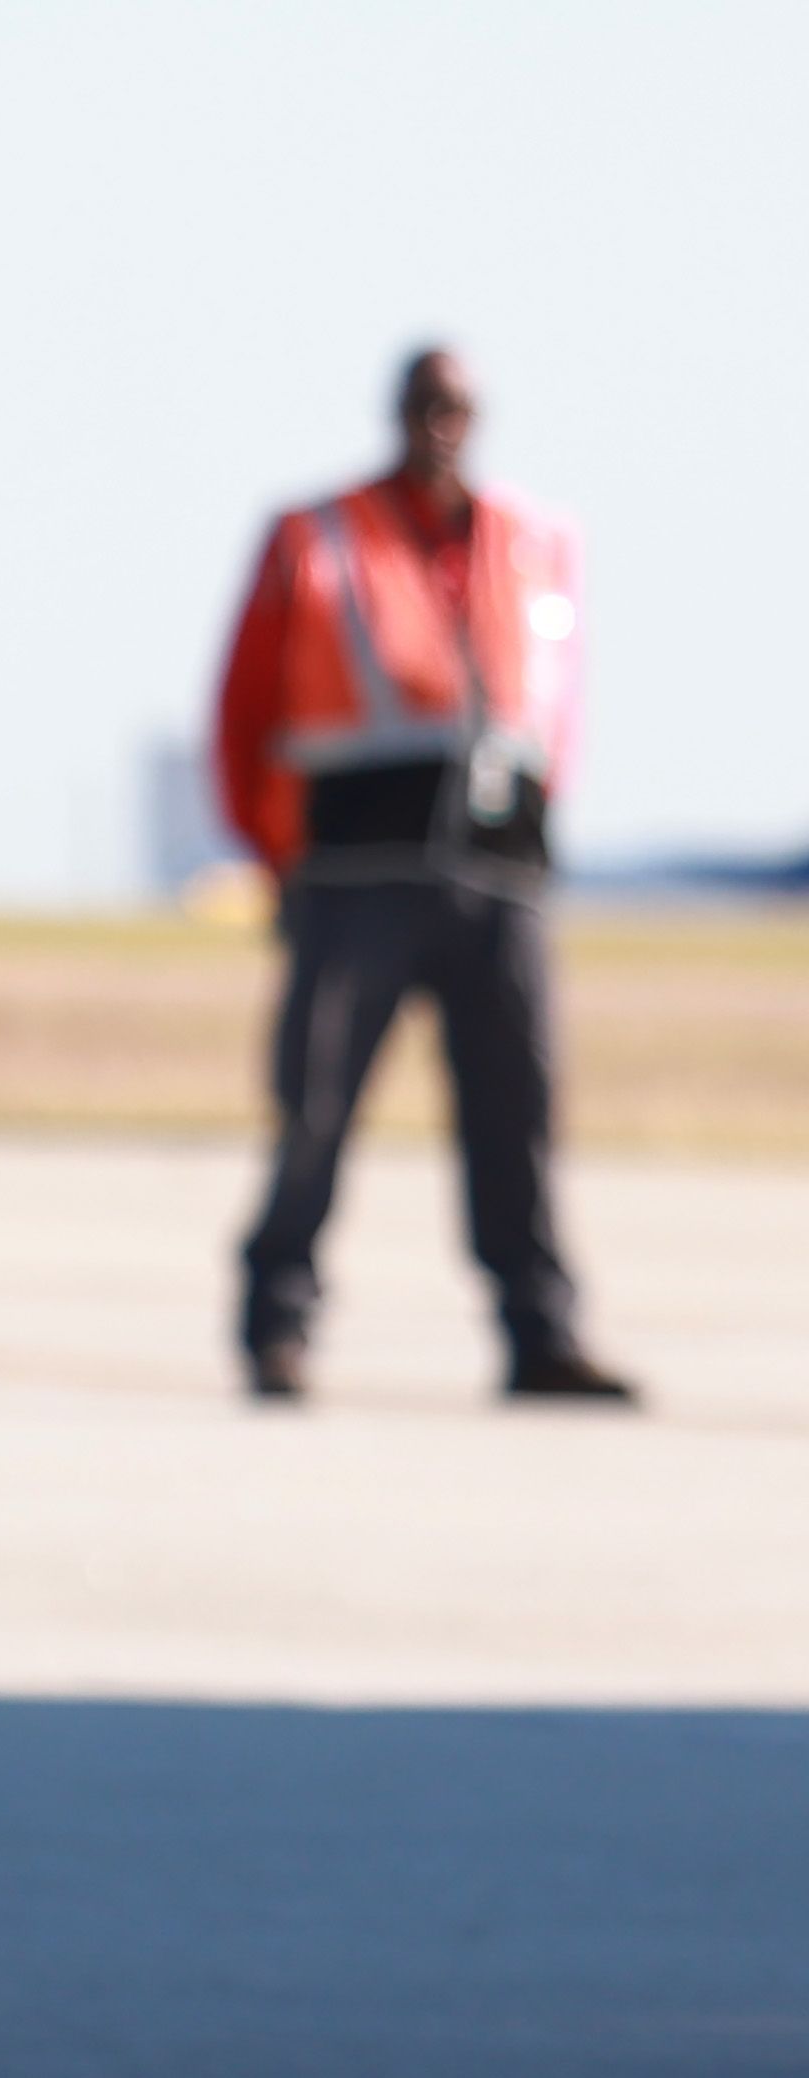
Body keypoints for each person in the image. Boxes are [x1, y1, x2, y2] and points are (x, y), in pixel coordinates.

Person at [212, 347, 632, 1404]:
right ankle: (279, 1325)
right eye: (427, 402)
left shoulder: (534, 542)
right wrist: (280, 856)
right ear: (397, 410)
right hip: (356, 869)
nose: (442, 421)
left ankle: (540, 1332)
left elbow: (555, 705)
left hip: (500, 874)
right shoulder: (319, 538)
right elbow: (246, 706)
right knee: (315, 1110)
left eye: (459, 404)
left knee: (517, 1111)